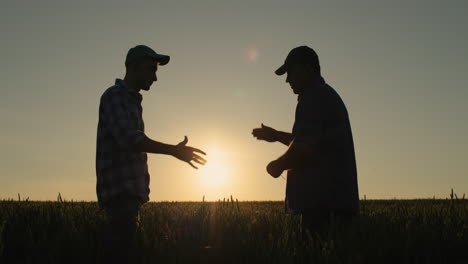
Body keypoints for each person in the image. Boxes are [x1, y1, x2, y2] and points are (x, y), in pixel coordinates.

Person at [96, 45, 207, 263]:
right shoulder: (115, 96)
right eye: (151, 70)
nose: (155, 78)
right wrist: (173, 151)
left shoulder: (131, 101)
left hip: (128, 198)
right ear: (134, 67)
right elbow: (129, 140)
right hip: (120, 196)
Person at [252, 46, 359, 236]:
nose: (287, 80)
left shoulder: (314, 97)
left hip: (323, 207)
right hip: (333, 205)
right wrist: (276, 135)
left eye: (291, 72)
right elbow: (309, 140)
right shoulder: (323, 95)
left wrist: (277, 165)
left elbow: (303, 148)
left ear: (308, 69)